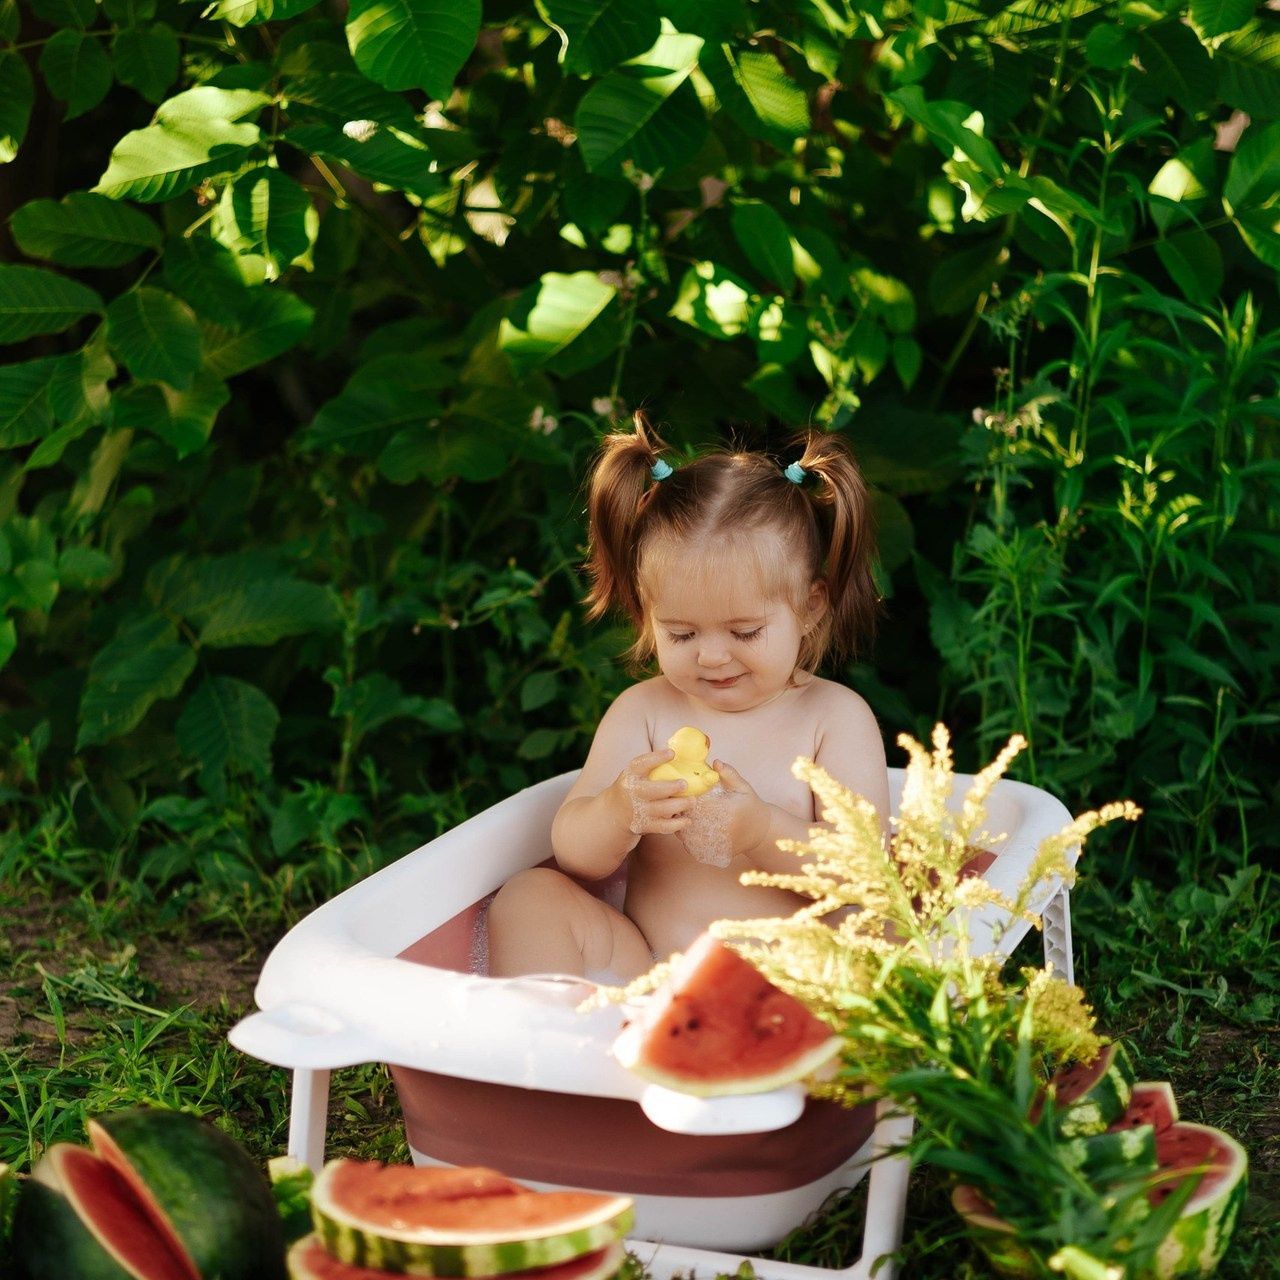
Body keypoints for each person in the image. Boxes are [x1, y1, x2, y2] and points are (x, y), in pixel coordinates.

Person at [486, 413, 890, 981]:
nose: (712, 656)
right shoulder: (645, 713)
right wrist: (619, 811)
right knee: (529, 894)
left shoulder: (832, 719)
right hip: (645, 970)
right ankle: (548, 1049)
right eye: (681, 633)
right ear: (649, 616)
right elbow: (575, 852)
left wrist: (762, 831)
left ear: (811, 606)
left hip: (787, 981)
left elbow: (865, 871)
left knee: (889, 934)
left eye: (744, 632)